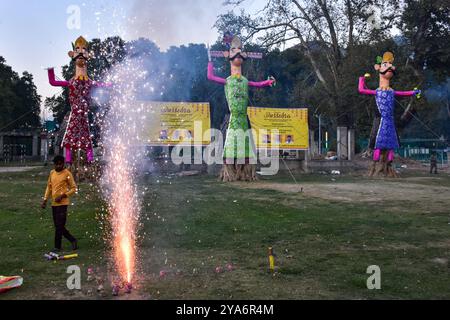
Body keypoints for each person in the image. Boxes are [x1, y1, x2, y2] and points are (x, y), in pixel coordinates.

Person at [41, 155, 78, 252]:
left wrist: (63, 196)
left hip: (63, 204)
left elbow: (74, 188)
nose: (58, 166)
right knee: (58, 226)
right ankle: (73, 240)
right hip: (54, 204)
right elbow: (49, 187)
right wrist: (45, 200)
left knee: (59, 226)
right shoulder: (52, 173)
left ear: (63, 164)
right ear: (54, 164)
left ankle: (57, 246)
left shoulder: (67, 174)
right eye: (56, 164)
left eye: (60, 164)